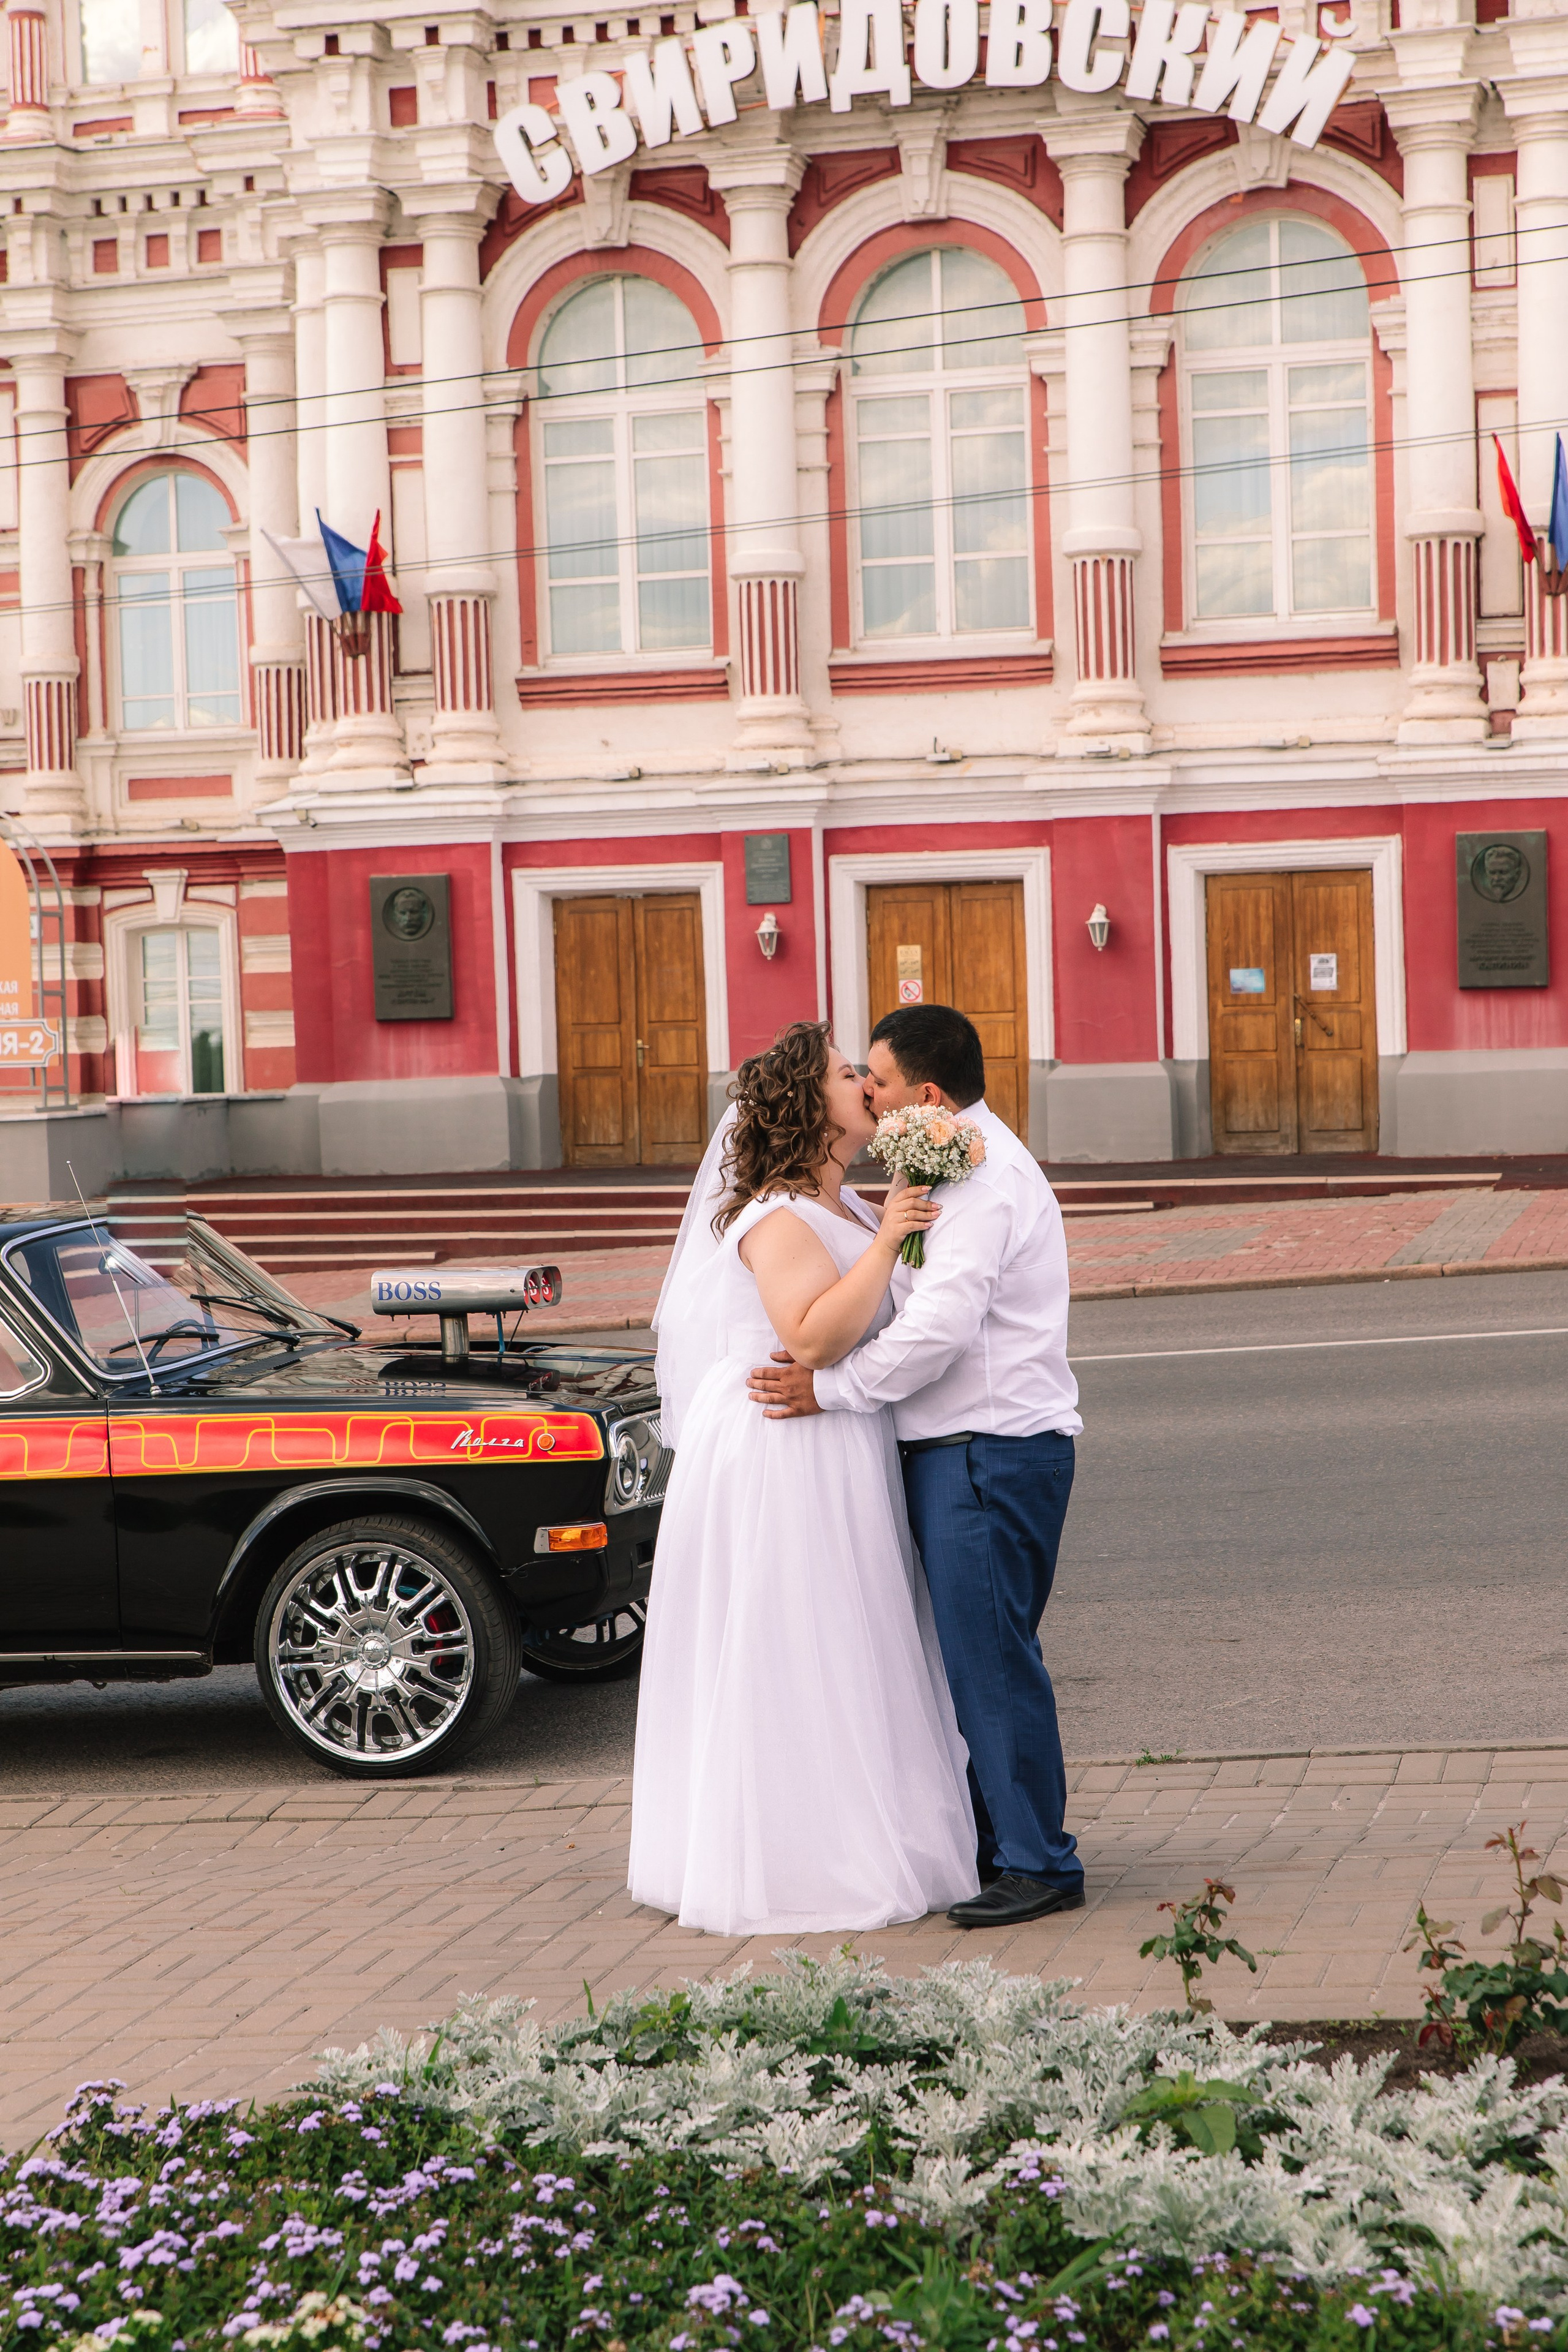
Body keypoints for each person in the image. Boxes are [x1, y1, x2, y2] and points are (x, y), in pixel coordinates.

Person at [628, 1020, 980, 1936]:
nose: (864, 1080)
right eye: (843, 1072)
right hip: (782, 1450)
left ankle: (872, 1826)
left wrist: (891, 1222)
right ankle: (798, 1856)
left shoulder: (856, 1207)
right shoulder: (776, 1216)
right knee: (798, 1644)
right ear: (804, 1106)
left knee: (854, 1639)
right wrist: (890, 1237)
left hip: (837, 1439)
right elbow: (815, 1334)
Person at [747, 1004, 1084, 1931]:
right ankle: (997, 1841)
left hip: (987, 1450)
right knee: (968, 1659)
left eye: (880, 1082)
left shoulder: (985, 1182)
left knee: (991, 1659)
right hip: (963, 1447)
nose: (867, 1092)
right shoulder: (946, 1163)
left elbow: (937, 1330)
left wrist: (833, 1391)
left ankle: (1039, 1862)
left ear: (926, 1097)